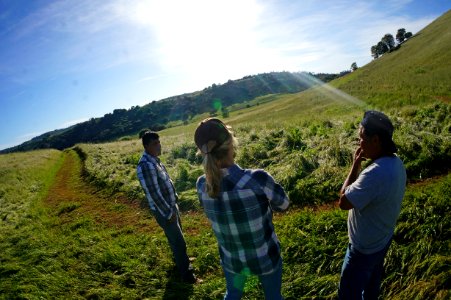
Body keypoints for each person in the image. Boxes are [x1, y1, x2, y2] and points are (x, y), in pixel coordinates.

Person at [194, 118, 289, 300]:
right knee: (273, 296)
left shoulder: (201, 185)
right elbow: (284, 205)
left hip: (233, 262)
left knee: (233, 294)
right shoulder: (258, 179)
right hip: (265, 258)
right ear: (231, 142)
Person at [337, 111, 407, 299]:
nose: (359, 143)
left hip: (363, 249)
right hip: (382, 239)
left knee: (348, 294)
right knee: (371, 286)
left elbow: (343, 202)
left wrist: (354, 167)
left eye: (361, 138)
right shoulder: (396, 163)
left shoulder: (374, 174)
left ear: (375, 140)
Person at [136, 131, 196, 284]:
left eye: (159, 142)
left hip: (170, 206)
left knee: (176, 236)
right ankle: (187, 275)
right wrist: (169, 213)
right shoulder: (146, 165)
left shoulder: (155, 160)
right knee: (178, 241)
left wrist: (173, 204)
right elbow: (154, 194)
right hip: (164, 210)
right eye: (155, 143)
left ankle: (182, 260)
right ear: (146, 146)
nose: (159, 145)